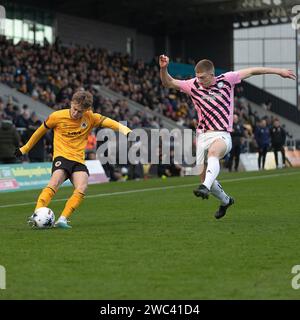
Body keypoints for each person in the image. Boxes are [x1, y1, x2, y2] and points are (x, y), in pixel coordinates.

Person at [159, 54, 295, 219]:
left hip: (222, 134)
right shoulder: (192, 85)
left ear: (211, 75)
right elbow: (168, 82)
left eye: (202, 77)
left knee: (213, 155)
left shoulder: (227, 80)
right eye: (197, 77)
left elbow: (253, 71)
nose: (199, 80)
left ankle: (205, 187)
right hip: (202, 136)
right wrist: (164, 68)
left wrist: (279, 71)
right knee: (203, 174)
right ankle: (225, 201)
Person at [15, 90, 132, 229]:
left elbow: (110, 122)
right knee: (55, 182)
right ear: (71, 103)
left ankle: (62, 219)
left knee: (82, 187)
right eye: (75, 109)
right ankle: (37, 215)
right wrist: (24, 149)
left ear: (87, 110)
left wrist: (127, 130)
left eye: (80, 111)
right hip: (62, 157)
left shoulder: (90, 117)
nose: (76, 113)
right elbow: (39, 132)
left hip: (78, 161)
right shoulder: (56, 117)